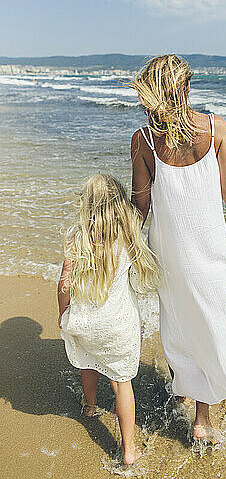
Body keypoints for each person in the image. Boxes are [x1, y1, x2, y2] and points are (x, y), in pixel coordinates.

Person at [130, 54, 226, 442]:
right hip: (210, 251)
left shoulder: (145, 140)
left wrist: (124, 247)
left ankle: (183, 389)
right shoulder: (216, 129)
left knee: (179, 323)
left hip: (169, 253)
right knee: (210, 322)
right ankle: (203, 419)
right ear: (185, 87)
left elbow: (140, 205)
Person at [57, 173, 159, 465]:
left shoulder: (78, 238)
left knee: (88, 361)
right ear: (119, 203)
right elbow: (141, 272)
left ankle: (90, 407)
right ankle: (129, 450)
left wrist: (62, 313)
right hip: (118, 325)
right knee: (121, 383)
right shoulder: (128, 236)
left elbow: (64, 284)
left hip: (86, 322)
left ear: (87, 205)